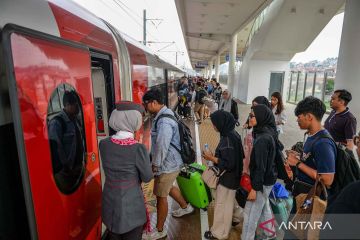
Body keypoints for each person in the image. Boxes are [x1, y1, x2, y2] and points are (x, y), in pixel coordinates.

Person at [142, 89, 194, 240]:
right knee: (168, 187)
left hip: (168, 164)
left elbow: (162, 145)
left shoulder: (164, 121)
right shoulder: (167, 113)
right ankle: (185, 207)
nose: (146, 108)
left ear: (153, 103)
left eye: (146, 104)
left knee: (160, 195)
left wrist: (155, 166)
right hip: (173, 161)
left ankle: (159, 231)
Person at [99, 102, 153, 240]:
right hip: (132, 207)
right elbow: (147, 177)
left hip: (109, 204)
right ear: (134, 121)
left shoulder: (104, 144)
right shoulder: (138, 149)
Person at [286, 96, 336, 207]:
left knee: (301, 222)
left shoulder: (323, 143)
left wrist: (298, 163)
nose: (297, 120)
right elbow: (314, 160)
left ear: (309, 116)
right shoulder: (311, 135)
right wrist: (300, 156)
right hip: (303, 191)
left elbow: (327, 180)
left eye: (299, 117)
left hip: (311, 197)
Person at [202, 110, 244, 240]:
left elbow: (228, 163)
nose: (213, 126)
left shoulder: (227, 139)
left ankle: (219, 233)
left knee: (222, 205)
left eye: (214, 123)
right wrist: (214, 156)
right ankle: (237, 218)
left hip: (228, 178)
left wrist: (211, 157)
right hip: (235, 177)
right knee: (230, 201)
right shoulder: (233, 134)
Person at [241, 104, 278, 240]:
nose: (249, 118)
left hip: (261, 183)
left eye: (252, 116)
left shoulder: (262, 139)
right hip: (265, 180)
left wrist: (254, 189)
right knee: (261, 209)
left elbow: (261, 167)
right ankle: (270, 233)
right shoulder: (265, 132)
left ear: (261, 117)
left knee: (250, 216)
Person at [48, 91, 85, 192]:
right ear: (68, 105)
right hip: (65, 172)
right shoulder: (56, 123)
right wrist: (67, 168)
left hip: (77, 167)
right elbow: (56, 149)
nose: (78, 108)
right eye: (76, 105)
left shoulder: (76, 119)